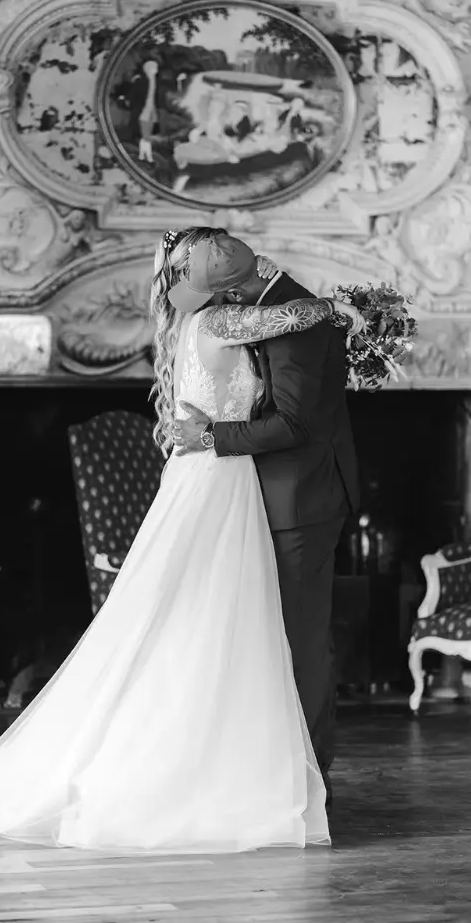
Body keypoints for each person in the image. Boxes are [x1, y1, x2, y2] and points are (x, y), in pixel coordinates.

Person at [0, 227, 364, 853]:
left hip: (220, 479)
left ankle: (230, 758)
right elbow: (301, 313)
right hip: (218, 476)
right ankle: (219, 766)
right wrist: (340, 307)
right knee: (209, 620)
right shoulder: (222, 325)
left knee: (205, 621)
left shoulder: (194, 323)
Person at [163, 228, 359, 811]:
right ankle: (257, 766)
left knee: (298, 640)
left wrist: (210, 435)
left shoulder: (282, 316)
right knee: (246, 634)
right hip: (245, 492)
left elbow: (297, 425)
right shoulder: (249, 313)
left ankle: (308, 777)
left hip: (295, 500)